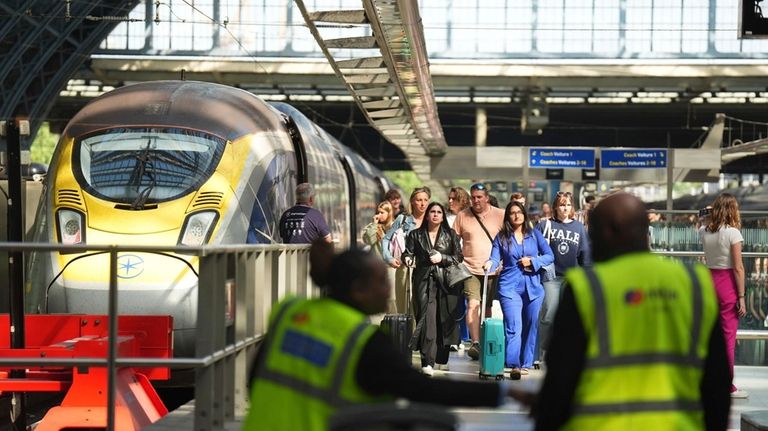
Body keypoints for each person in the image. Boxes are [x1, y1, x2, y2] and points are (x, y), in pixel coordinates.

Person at [244, 241, 521, 431]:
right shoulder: (362, 341)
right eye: (380, 282)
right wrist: (505, 393)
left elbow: (254, 378)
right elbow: (424, 389)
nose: (388, 290)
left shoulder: (289, 312)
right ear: (357, 290)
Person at [518, 192, 730, 431]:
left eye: (593, 233)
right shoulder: (694, 283)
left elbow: (561, 380)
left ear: (608, 232)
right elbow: (718, 381)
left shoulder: (587, 287)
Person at [483, 201, 553, 380]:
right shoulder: (501, 237)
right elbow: (494, 257)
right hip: (509, 287)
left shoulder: (535, 234)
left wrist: (534, 262)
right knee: (514, 326)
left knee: (531, 324)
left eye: (519, 212)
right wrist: (489, 264)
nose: (516, 215)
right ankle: (514, 364)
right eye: (512, 213)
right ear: (508, 216)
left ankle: (525, 363)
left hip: (534, 287)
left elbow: (549, 255)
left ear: (524, 215)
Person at [402, 202, 464, 376]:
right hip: (424, 282)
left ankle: (441, 358)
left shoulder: (450, 234)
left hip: (446, 283)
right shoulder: (415, 234)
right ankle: (427, 361)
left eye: (439, 212)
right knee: (427, 319)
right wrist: (407, 258)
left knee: (443, 320)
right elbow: (408, 252)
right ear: (428, 215)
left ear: (443, 216)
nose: (435, 215)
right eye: (432, 212)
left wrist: (442, 257)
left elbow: (458, 257)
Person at [699, 193, 748, 398]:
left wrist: (709, 215)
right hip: (727, 285)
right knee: (728, 337)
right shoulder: (733, 233)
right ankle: (727, 386)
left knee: (710, 336)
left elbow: (704, 221)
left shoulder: (703, 231)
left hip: (709, 282)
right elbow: (737, 267)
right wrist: (742, 297)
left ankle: (707, 380)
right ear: (733, 210)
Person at [535, 191, 591, 362]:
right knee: (549, 315)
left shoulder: (579, 228)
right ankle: (543, 350)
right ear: (555, 207)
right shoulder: (545, 225)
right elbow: (534, 247)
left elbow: (585, 255)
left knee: (569, 317)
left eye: (568, 205)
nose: (565, 208)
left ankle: (565, 351)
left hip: (572, 278)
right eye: (561, 205)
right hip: (551, 278)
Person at [453, 183, 505, 360]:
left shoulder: (500, 215)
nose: (475, 200)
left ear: (487, 198)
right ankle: (475, 343)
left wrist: (503, 261)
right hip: (470, 268)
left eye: (479, 197)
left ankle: (485, 338)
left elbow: (509, 239)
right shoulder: (462, 216)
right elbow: (454, 240)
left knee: (487, 307)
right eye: (473, 197)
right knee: (473, 303)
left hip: (493, 270)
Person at [382, 187, 431, 314]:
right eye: (419, 200)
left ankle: (421, 334)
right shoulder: (403, 220)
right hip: (405, 269)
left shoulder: (433, 220)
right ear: (412, 202)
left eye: (425, 200)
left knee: (424, 309)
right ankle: (407, 333)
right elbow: (386, 239)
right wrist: (389, 258)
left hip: (427, 269)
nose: (422, 203)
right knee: (405, 309)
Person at [362, 201, 397, 315]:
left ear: (389, 213)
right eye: (378, 212)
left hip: (392, 269)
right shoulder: (374, 226)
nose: (378, 215)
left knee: (393, 302)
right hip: (378, 269)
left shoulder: (395, 228)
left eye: (382, 212)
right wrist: (374, 225)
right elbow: (368, 240)